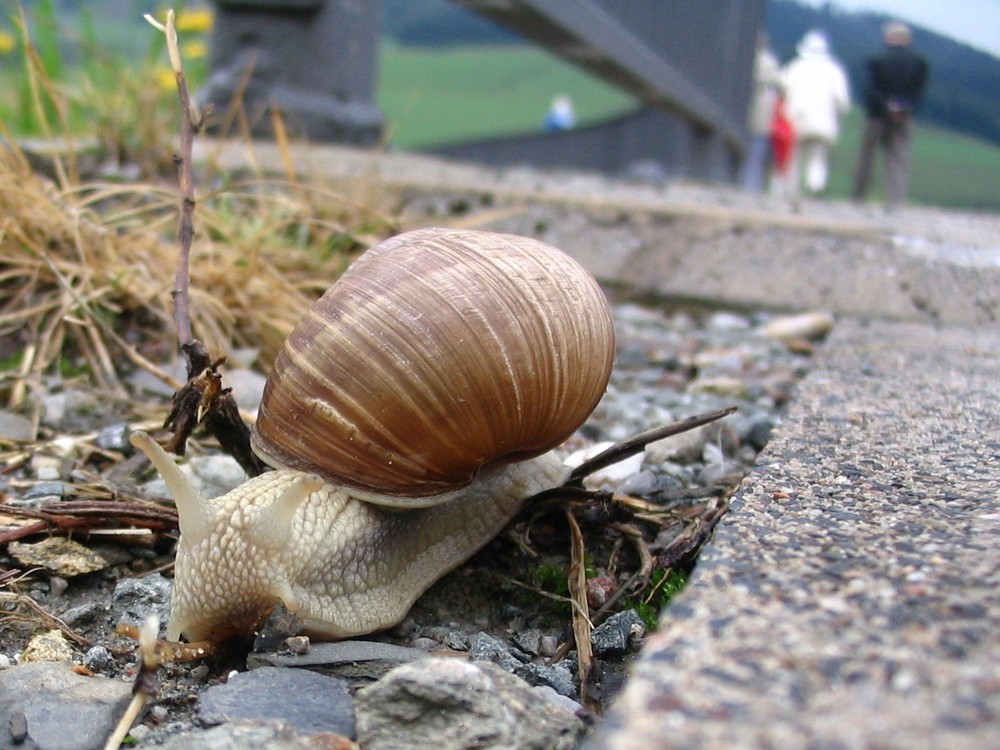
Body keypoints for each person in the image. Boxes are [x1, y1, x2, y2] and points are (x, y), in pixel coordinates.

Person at [852, 22, 929, 211]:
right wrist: (900, 107)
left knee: (866, 158)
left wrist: (887, 106)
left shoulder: (876, 59)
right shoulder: (919, 62)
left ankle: (858, 198)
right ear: (907, 39)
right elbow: (918, 91)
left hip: (877, 115)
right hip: (904, 116)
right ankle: (895, 201)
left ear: (889, 37)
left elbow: (871, 89)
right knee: (898, 159)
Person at [776, 30, 851, 201]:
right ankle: (814, 187)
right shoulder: (834, 71)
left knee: (794, 158)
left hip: (796, 119)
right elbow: (842, 101)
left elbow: (782, 90)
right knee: (818, 158)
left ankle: (791, 192)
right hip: (824, 122)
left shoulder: (794, 67)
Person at [742, 32, 783, 193]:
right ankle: (752, 186)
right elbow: (781, 84)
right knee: (756, 152)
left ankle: (744, 183)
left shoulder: (746, 58)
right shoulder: (771, 62)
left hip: (745, 113)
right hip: (763, 114)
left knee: (747, 149)